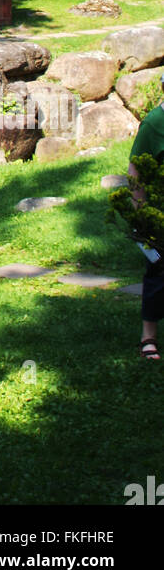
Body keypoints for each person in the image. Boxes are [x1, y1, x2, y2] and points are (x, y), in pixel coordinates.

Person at [127, 70, 164, 361]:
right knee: (158, 273)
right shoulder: (153, 124)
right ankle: (148, 337)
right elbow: (135, 169)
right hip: (161, 212)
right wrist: (143, 215)